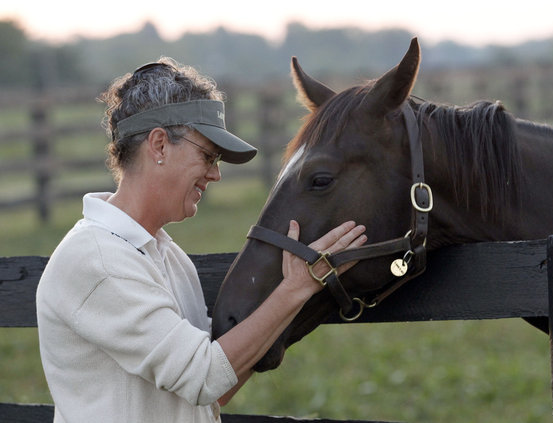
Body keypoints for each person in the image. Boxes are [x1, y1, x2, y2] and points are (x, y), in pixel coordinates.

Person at [36, 58, 367, 423]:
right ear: (159, 145)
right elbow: (204, 377)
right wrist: (294, 289)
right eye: (208, 156)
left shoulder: (168, 257)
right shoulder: (97, 259)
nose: (215, 174)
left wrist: (293, 297)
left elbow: (216, 391)